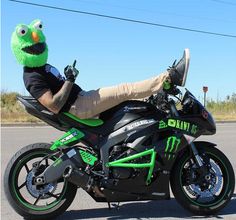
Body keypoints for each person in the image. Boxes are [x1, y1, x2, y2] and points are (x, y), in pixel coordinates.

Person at [11, 19, 190, 119]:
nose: (38, 47)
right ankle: (168, 78)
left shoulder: (42, 68)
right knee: (125, 90)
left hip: (82, 98)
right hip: (78, 106)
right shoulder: (32, 76)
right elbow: (54, 106)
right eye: (33, 47)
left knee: (135, 107)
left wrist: (69, 80)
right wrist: (69, 81)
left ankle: (159, 93)